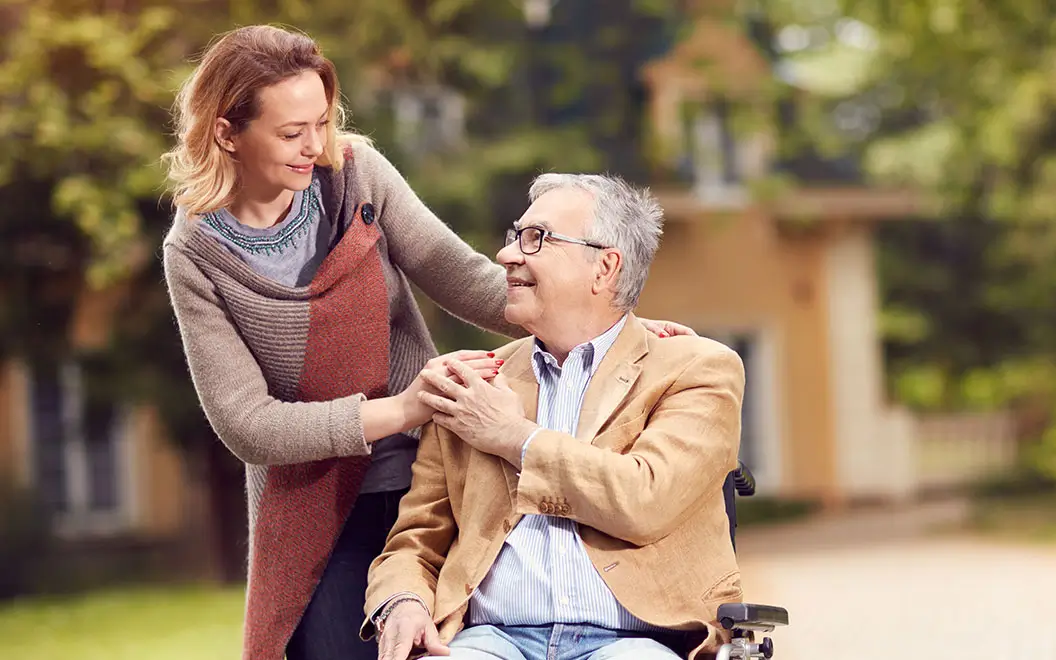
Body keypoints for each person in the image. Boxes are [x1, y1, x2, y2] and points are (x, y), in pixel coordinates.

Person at [159, 25, 691, 660]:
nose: (316, 146)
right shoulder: (195, 254)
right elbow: (248, 425)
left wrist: (616, 328)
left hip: (429, 478)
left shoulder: (354, 177)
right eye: (291, 132)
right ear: (227, 133)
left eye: (322, 123)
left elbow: (461, 275)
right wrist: (407, 408)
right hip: (315, 501)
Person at [363, 173, 745, 660]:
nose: (506, 254)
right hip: (490, 639)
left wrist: (514, 437)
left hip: (634, 642)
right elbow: (416, 542)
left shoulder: (697, 369)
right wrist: (403, 601)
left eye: (536, 238)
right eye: (514, 235)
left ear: (604, 267)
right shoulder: (472, 382)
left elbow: (644, 500)